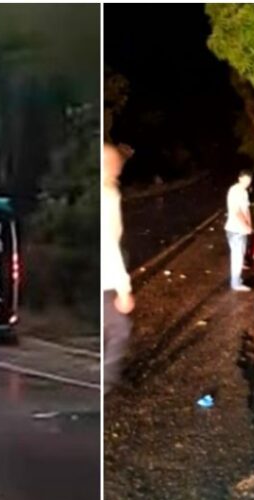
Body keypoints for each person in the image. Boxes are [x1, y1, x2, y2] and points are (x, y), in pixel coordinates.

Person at [102, 144, 134, 393]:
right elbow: (109, 242)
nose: (118, 168)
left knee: (109, 328)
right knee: (120, 330)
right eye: (114, 164)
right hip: (107, 278)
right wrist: (124, 287)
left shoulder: (107, 192)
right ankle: (107, 380)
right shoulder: (107, 195)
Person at [224, 170, 254, 291]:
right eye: (245, 179)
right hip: (235, 229)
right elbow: (237, 211)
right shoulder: (235, 191)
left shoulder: (244, 192)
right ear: (240, 178)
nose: (247, 182)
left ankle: (237, 279)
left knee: (240, 255)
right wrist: (246, 226)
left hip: (241, 229)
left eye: (249, 180)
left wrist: (249, 225)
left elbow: (246, 210)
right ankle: (235, 283)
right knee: (237, 257)